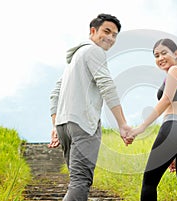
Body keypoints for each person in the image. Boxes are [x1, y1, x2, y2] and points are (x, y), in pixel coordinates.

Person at [48, 13, 131, 201]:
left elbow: (54, 93)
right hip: (83, 124)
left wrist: (55, 125)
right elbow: (106, 85)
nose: (110, 38)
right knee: (80, 182)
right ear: (93, 31)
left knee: (76, 182)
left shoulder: (73, 60)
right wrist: (122, 124)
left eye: (115, 35)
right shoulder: (94, 51)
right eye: (106, 31)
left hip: (64, 126)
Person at [126, 38, 177, 201]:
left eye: (164, 53)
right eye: (156, 55)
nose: (160, 58)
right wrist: (175, 151)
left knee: (149, 184)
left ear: (175, 53)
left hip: (174, 129)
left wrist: (141, 127)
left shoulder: (175, 70)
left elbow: (166, 99)